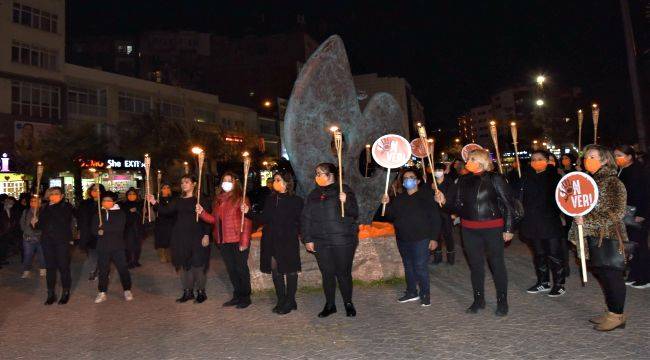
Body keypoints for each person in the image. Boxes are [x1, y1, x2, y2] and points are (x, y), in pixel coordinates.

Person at [437, 149, 515, 316]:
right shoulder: (463, 180)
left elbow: (508, 204)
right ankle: (479, 300)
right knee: (475, 266)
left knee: (497, 265)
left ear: (482, 160)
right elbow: (456, 206)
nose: (468, 162)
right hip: (469, 229)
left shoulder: (495, 178)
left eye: (472, 159)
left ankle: (502, 302)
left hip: (492, 227)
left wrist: (508, 228)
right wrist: (443, 202)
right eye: (468, 159)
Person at [571, 144, 628, 331]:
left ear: (604, 159)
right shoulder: (590, 181)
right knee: (603, 275)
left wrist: (587, 220)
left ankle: (617, 315)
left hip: (608, 236)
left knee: (612, 276)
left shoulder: (613, 182)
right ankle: (612, 311)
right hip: (593, 236)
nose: (588, 160)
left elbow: (617, 212)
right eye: (586, 156)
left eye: (593, 156)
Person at [302, 163, 359, 318]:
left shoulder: (343, 189)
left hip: (342, 240)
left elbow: (354, 213)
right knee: (327, 274)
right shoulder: (313, 194)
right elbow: (306, 218)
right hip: (321, 241)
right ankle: (330, 304)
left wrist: (346, 201)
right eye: (316, 173)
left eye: (320, 173)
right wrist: (307, 238)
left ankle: (348, 303)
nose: (317, 176)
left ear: (331, 175)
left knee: (343, 273)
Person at [242, 171, 303, 314]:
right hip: (271, 239)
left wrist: (305, 237)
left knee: (290, 270)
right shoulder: (271, 199)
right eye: (274, 179)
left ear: (287, 183)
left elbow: (301, 221)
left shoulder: (297, 201)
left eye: (277, 179)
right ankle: (281, 299)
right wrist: (248, 211)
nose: (274, 182)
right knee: (275, 270)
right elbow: (263, 218)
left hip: (288, 240)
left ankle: (290, 300)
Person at [147, 175, 211, 304]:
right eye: (182, 182)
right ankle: (187, 292)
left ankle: (201, 292)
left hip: (197, 235)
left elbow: (208, 219)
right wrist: (154, 202)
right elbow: (165, 211)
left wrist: (206, 234)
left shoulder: (200, 199)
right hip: (180, 236)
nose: (184, 184)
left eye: (187, 182)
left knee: (197, 264)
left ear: (194, 184)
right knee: (184, 264)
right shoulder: (178, 200)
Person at [381, 168, 441, 306]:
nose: (408, 180)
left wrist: (434, 238)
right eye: (406, 178)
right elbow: (390, 216)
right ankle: (411, 292)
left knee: (420, 266)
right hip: (403, 238)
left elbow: (436, 218)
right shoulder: (399, 199)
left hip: (421, 238)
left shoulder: (426, 197)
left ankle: (425, 293)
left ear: (418, 180)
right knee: (408, 266)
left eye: (411, 177)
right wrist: (386, 203)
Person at [198, 172, 253, 309]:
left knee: (241, 269)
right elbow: (214, 220)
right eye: (224, 180)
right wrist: (202, 213)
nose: (227, 182)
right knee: (231, 269)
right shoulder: (218, 200)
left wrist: (244, 242)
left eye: (230, 180)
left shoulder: (241, 198)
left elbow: (246, 221)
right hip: (223, 241)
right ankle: (237, 295)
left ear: (235, 183)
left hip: (237, 239)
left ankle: (245, 297)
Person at [519, 150, 566, 296]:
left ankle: (559, 284)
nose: (536, 161)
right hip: (532, 222)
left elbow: (563, 197)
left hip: (550, 221)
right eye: (533, 159)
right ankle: (543, 282)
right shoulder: (526, 177)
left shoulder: (554, 176)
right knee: (539, 254)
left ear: (547, 160)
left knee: (554, 254)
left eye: (540, 159)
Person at [614, 144, 649, 289]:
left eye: (619, 155)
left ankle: (645, 277)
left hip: (637, 213)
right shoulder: (621, 170)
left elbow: (645, 193)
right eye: (615, 155)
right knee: (630, 245)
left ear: (629, 156)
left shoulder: (638, 171)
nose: (617, 158)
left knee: (639, 246)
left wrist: (642, 213)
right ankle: (634, 274)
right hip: (625, 213)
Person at [91, 191, 133, 303]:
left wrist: (102, 229)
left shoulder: (120, 213)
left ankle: (127, 289)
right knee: (103, 270)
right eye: (104, 200)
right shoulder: (99, 213)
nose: (106, 202)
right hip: (103, 246)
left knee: (122, 268)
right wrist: (98, 231)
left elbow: (118, 228)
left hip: (117, 246)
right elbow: (93, 229)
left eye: (109, 200)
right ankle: (102, 292)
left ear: (114, 202)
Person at [36, 187, 74, 305]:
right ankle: (51, 293)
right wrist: (35, 222)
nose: (54, 196)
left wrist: (50, 207)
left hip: (62, 242)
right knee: (50, 268)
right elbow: (40, 226)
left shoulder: (66, 207)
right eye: (51, 194)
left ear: (62, 196)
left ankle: (65, 292)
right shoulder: (43, 208)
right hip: (47, 242)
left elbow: (63, 220)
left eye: (57, 194)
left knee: (63, 267)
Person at [77, 184, 105, 280]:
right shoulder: (85, 203)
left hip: (101, 233)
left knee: (102, 253)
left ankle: (102, 271)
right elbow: (80, 218)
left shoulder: (105, 203)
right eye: (93, 190)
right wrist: (80, 230)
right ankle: (94, 270)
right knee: (92, 254)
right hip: (88, 233)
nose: (95, 191)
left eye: (97, 190)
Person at [432, 162, 455, 265]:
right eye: (436, 170)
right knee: (436, 235)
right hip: (435, 214)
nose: (438, 172)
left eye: (440, 170)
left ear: (444, 171)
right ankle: (437, 257)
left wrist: (454, 213)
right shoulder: (431, 183)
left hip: (446, 213)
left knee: (448, 235)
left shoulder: (450, 183)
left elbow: (453, 199)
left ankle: (450, 258)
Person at [19, 195, 46, 278]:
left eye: (35, 201)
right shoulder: (26, 211)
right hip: (28, 238)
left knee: (42, 255)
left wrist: (38, 223)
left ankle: (43, 269)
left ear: (39, 203)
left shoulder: (43, 212)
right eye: (31, 201)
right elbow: (22, 224)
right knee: (27, 255)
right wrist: (27, 231)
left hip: (41, 238)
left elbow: (46, 225)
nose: (33, 203)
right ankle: (26, 270)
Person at [121, 188, 145, 268]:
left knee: (138, 245)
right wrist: (129, 212)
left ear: (136, 195)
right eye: (130, 194)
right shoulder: (123, 204)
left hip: (138, 228)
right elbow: (122, 217)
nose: (131, 196)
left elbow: (144, 215)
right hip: (128, 228)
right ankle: (129, 261)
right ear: (127, 196)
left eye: (133, 194)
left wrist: (140, 211)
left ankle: (135, 260)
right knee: (128, 246)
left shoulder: (140, 204)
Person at [154, 183, 174, 263]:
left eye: (168, 187)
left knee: (170, 239)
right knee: (162, 239)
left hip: (171, 221)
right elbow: (156, 209)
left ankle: (170, 255)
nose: (166, 189)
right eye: (164, 188)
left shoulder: (173, 199)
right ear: (161, 189)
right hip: (161, 222)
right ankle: (162, 256)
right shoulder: (158, 199)